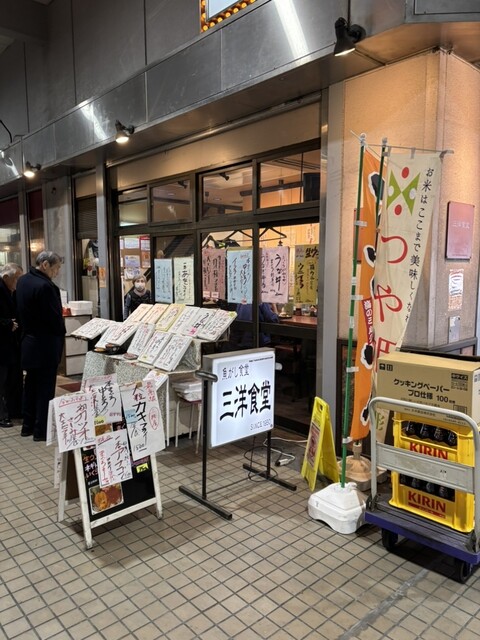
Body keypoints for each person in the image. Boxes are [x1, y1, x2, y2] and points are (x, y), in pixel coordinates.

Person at [16, 251, 65, 442]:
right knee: (45, 389)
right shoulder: (45, 286)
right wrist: (61, 332)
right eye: (56, 268)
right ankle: (41, 431)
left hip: (28, 342)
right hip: (45, 345)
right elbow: (54, 319)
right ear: (45, 265)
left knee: (30, 385)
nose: (57, 272)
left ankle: (27, 426)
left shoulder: (23, 280)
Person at [0, 263, 23, 428]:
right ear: (6, 277)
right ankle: (2, 415)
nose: (18, 282)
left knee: (11, 379)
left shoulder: (10, 290)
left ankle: (13, 410)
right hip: (2, 344)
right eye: (16, 279)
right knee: (1, 381)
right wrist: (8, 323)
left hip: (10, 344)